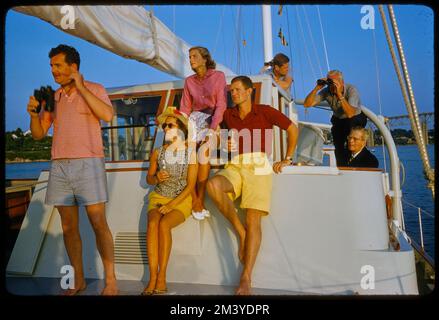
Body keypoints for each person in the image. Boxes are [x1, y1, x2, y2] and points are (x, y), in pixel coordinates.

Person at [26, 44, 118, 295]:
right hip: (60, 165)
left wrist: (81, 87)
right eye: (52, 66)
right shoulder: (52, 98)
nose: (53, 71)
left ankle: (111, 280)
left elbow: (107, 115)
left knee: (99, 222)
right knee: (68, 227)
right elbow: (38, 135)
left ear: (73, 67)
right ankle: (78, 280)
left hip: (89, 163)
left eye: (58, 65)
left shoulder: (95, 89)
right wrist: (34, 115)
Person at [206, 76, 298, 295]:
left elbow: (292, 129)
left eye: (237, 90)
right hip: (236, 164)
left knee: (253, 218)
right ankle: (241, 232)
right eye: (231, 90)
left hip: (258, 164)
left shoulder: (264, 111)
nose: (233, 93)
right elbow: (215, 137)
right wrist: (223, 141)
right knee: (213, 186)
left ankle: (246, 278)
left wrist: (287, 158)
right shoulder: (228, 114)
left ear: (249, 92)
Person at [141, 107, 197, 295]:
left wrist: (171, 205)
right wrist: (156, 177)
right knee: (152, 223)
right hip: (158, 195)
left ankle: (162, 277)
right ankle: (152, 278)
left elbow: (190, 186)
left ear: (181, 128)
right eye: (164, 125)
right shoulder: (158, 153)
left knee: (164, 225)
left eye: (170, 125)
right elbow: (148, 179)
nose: (165, 128)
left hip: (180, 199)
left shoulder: (191, 153)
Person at [180, 46, 227, 220]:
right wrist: (180, 127)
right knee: (189, 154)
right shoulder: (189, 81)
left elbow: (221, 104)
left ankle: (199, 198)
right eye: (189, 56)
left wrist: (212, 129)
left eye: (194, 56)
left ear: (205, 59)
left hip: (213, 117)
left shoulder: (218, 76)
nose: (191, 59)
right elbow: (185, 108)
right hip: (195, 119)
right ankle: (194, 199)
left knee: (204, 151)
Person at [303, 70, 367, 166]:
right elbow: (307, 104)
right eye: (329, 82)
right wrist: (317, 88)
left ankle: (358, 163)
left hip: (355, 118)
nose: (331, 86)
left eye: (333, 82)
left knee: (352, 142)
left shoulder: (351, 90)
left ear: (342, 82)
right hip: (339, 120)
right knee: (338, 145)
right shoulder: (326, 91)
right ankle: (342, 167)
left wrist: (339, 95)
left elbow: (350, 113)